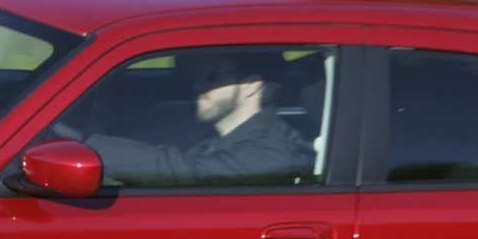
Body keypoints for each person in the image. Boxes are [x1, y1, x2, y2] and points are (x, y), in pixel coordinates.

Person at [76, 51, 313, 187]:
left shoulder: (270, 154)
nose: (197, 84)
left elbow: (179, 169)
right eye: (199, 74)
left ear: (251, 85)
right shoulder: (224, 139)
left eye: (212, 75)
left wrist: (87, 148)